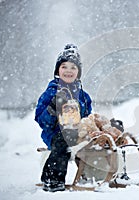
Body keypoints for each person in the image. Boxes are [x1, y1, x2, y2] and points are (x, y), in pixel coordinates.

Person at [34, 44, 92, 192]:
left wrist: (90, 127)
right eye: (64, 66)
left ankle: (97, 176)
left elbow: (87, 118)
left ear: (78, 72)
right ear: (57, 70)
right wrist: (52, 108)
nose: (68, 71)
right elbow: (42, 121)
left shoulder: (84, 96)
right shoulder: (51, 92)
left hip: (78, 133)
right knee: (63, 140)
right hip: (55, 134)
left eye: (73, 67)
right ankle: (53, 179)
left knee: (98, 142)